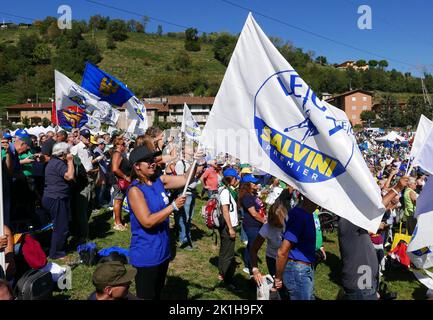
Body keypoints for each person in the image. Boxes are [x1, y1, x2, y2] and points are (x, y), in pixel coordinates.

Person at [125, 145, 200, 299]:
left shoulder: (160, 180)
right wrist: (172, 206)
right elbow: (147, 221)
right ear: (137, 166)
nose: (152, 162)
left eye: (152, 159)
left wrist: (196, 161)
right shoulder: (135, 190)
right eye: (147, 161)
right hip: (146, 253)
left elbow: (186, 178)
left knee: (158, 294)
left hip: (163, 250)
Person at [337, 176, 409, 300]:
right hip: (361, 288)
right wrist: (397, 188)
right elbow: (377, 209)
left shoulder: (353, 223)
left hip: (365, 285)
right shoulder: (348, 220)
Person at [274, 195, 318, 300]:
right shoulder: (299, 215)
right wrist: (278, 277)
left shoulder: (308, 214)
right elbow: (282, 251)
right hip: (298, 271)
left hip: (304, 270)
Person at [42, 142, 75, 259]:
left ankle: (58, 248)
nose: (70, 154)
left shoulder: (54, 162)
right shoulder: (58, 163)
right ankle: (56, 253)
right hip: (56, 198)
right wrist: (70, 161)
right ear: (63, 154)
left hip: (54, 197)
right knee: (61, 226)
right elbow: (70, 176)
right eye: (68, 152)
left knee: (60, 225)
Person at [250, 195, 288, 285]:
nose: (277, 226)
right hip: (273, 259)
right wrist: (255, 269)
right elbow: (253, 249)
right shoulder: (266, 228)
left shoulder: (290, 223)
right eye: (274, 223)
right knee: (278, 285)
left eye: (279, 224)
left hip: (288, 260)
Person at [70, 129, 99, 242]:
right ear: (81, 137)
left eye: (88, 136)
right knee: (82, 209)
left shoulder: (88, 148)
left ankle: (83, 230)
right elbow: (73, 165)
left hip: (90, 180)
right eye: (85, 136)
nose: (87, 138)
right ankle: (83, 234)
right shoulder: (76, 148)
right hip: (82, 181)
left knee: (89, 207)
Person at [217, 168, 240, 290]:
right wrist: (231, 228)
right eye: (236, 179)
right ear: (231, 179)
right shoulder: (225, 192)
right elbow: (225, 210)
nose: (237, 181)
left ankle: (221, 273)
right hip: (228, 225)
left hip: (227, 224)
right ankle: (227, 280)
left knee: (224, 250)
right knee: (229, 254)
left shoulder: (226, 190)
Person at [238, 174, 266, 276]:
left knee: (250, 245)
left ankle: (247, 264)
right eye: (253, 182)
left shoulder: (252, 195)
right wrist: (264, 221)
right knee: (253, 247)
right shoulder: (246, 197)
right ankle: (251, 268)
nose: (256, 184)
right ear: (247, 184)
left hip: (256, 225)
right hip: (251, 225)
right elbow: (253, 213)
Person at [110, 136, 131, 231]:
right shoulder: (117, 154)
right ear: (118, 145)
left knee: (120, 200)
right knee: (118, 201)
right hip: (118, 181)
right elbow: (115, 169)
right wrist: (125, 177)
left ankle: (120, 220)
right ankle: (117, 223)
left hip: (121, 181)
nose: (124, 146)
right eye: (123, 144)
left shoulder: (120, 154)